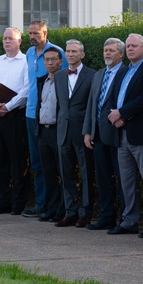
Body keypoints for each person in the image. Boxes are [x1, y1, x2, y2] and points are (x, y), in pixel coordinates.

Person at [104, 33, 143, 237]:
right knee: (126, 181)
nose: (130, 49)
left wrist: (122, 113)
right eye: (128, 46)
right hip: (121, 133)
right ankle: (129, 220)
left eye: (134, 46)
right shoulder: (123, 72)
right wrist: (115, 116)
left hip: (142, 134)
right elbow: (112, 96)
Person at [0, 28, 31, 215]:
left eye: (11, 38)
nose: (7, 41)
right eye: (5, 38)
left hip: (15, 117)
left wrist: (8, 107)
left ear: (19, 41)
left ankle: (18, 203)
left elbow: (27, 89)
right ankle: (1, 201)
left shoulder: (27, 61)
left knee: (18, 161)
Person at [82, 37, 126, 230]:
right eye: (105, 50)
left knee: (123, 178)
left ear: (121, 54)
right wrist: (87, 131)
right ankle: (106, 217)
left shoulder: (126, 73)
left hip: (118, 135)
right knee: (103, 178)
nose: (107, 53)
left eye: (111, 50)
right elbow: (92, 105)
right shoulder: (99, 74)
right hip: (98, 134)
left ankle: (125, 219)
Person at [23, 20, 65, 218]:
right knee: (38, 163)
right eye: (30, 33)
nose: (32, 36)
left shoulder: (56, 52)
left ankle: (59, 207)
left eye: (36, 33)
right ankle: (42, 204)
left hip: (52, 116)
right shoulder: (30, 53)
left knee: (57, 164)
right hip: (32, 114)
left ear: (45, 33)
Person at [55, 40, 96, 228]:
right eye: (68, 51)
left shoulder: (92, 75)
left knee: (86, 173)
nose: (70, 54)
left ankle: (85, 212)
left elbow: (92, 106)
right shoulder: (59, 76)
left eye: (74, 51)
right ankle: (70, 211)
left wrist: (89, 130)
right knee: (66, 174)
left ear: (82, 54)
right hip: (63, 132)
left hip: (82, 132)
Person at [35, 49, 65, 224]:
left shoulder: (64, 80)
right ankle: (51, 208)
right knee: (48, 173)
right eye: (47, 60)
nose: (50, 63)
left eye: (54, 59)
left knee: (62, 172)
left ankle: (62, 209)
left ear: (61, 62)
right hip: (43, 131)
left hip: (58, 131)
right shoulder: (41, 81)